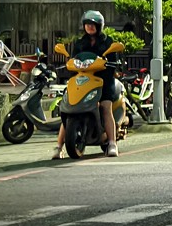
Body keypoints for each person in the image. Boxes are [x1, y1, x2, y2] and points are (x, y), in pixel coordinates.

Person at [51, 10, 121, 159]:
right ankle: (58, 147)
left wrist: (107, 67)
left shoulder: (108, 42)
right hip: (82, 79)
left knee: (105, 107)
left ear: (99, 26)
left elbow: (112, 63)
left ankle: (112, 143)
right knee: (68, 108)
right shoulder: (80, 42)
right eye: (87, 24)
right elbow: (75, 59)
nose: (89, 27)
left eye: (92, 25)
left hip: (102, 81)